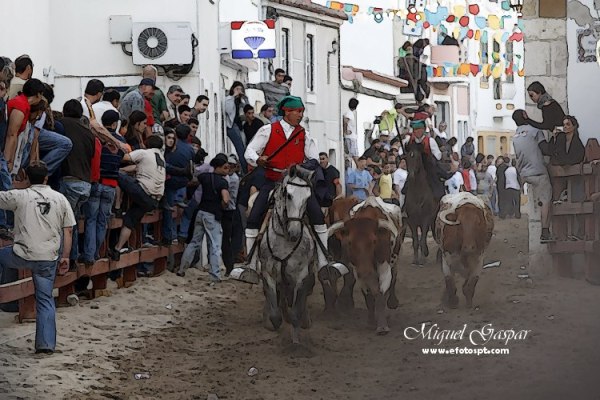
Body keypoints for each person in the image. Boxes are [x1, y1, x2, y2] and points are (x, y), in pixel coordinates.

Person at [230, 95, 338, 284]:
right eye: (298, 112)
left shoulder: (304, 134)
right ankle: (251, 264)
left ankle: (324, 262)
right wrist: (258, 160)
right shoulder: (268, 130)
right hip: (273, 182)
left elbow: (313, 158)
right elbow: (249, 151)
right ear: (287, 112)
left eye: (302, 112)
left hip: (297, 184)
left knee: (318, 217)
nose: (300, 115)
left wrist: (306, 166)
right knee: (254, 217)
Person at [0, 162, 76, 354]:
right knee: (45, 299)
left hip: (22, 254)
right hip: (48, 258)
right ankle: (46, 344)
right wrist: (65, 257)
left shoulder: (20, 196)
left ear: (26, 177)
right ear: (46, 178)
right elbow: (68, 231)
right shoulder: (60, 199)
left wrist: (15, 185)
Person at [108, 135, 166, 261]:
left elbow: (125, 157)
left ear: (146, 144)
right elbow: (137, 167)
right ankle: (117, 250)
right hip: (154, 200)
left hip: (142, 191)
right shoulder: (161, 158)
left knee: (115, 174)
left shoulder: (144, 153)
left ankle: (117, 207)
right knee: (129, 221)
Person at [81, 110, 125, 265]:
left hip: (97, 182)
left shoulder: (96, 138)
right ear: (115, 124)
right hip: (111, 185)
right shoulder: (120, 140)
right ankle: (97, 252)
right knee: (102, 222)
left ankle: (89, 255)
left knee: (91, 220)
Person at [177, 154, 230, 282]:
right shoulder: (223, 182)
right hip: (213, 215)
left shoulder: (204, 177)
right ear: (218, 167)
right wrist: (222, 206)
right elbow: (226, 200)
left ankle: (182, 269)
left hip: (200, 212)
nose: (227, 170)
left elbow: (194, 181)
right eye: (225, 167)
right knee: (215, 246)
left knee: (194, 242)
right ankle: (215, 275)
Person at [59, 100, 96, 267]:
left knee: (67, 223)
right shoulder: (89, 133)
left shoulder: (63, 124)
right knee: (74, 221)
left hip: (70, 179)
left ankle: (69, 258)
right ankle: (74, 256)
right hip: (85, 183)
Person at [220, 154, 241, 277]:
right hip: (230, 210)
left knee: (226, 240)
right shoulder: (231, 177)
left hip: (228, 211)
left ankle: (229, 265)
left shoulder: (231, 179)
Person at [224, 81, 249, 173]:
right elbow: (228, 110)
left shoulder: (241, 100)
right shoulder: (229, 99)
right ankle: (245, 170)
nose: (239, 91)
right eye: (237, 89)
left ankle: (245, 169)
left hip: (240, 126)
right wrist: (233, 96)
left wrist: (245, 99)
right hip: (232, 126)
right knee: (240, 149)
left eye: (240, 89)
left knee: (244, 147)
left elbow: (248, 109)